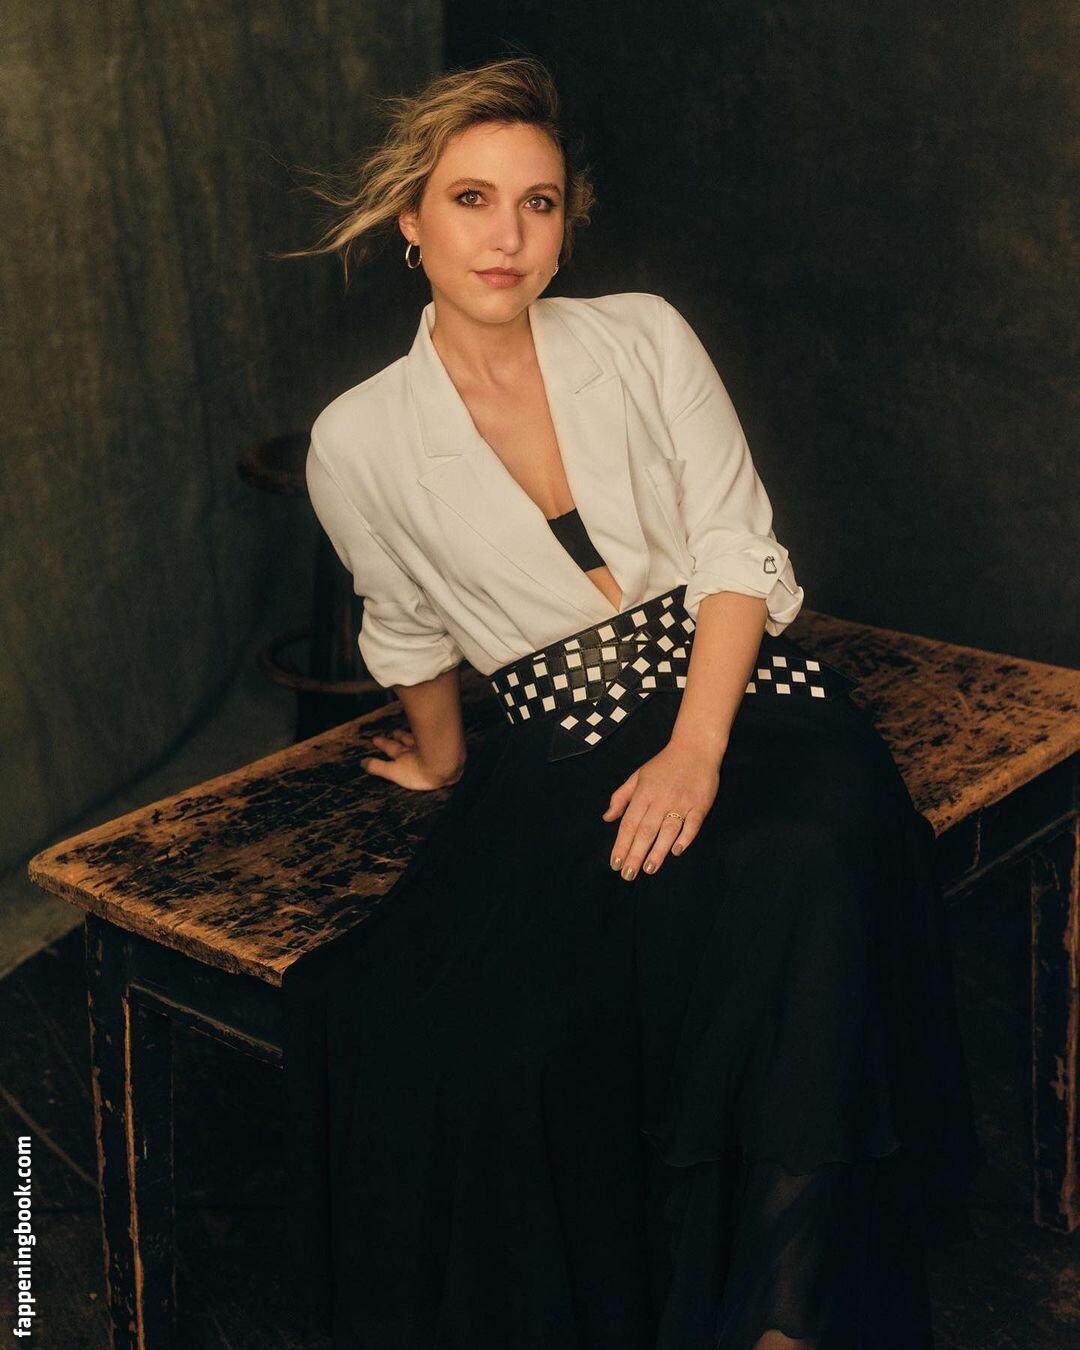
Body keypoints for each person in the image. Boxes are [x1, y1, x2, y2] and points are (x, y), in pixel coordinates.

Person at [278, 54, 984, 1350]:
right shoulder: (358, 437)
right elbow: (410, 624)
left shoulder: (645, 334)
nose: (507, 235)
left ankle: (780, 1323)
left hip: (750, 699)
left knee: (803, 854)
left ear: (567, 222)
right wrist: (441, 763)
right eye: (473, 199)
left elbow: (734, 548)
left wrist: (697, 749)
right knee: (447, 1029)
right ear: (411, 223)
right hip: (558, 746)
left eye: (538, 203)